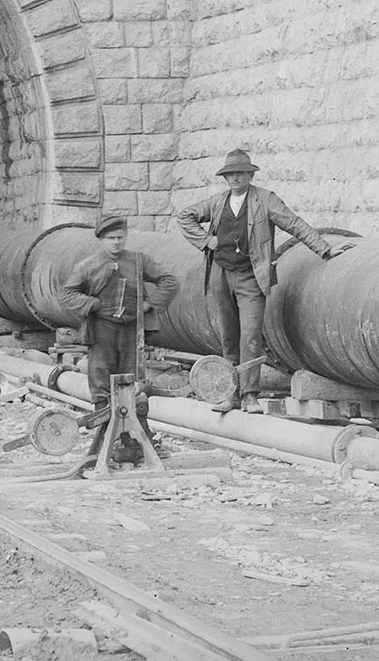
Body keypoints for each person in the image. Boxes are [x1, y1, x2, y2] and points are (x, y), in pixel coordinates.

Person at [175, 149, 353, 413]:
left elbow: (294, 224)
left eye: (240, 173)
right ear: (225, 178)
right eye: (230, 173)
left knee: (250, 336)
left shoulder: (265, 199)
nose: (235, 178)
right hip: (221, 275)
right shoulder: (216, 202)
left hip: (250, 276)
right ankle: (230, 394)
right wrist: (206, 241)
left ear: (250, 174)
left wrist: (325, 248)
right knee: (228, 336)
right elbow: (184, 216)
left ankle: (249, 395)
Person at [60, 213, 180, 455]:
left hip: (131, 331)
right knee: (102, 380)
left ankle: (133, 437)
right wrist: (92, 304)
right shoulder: (88, 266)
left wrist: (149, 305)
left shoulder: (138, 261)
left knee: (132, 382)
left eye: (120, 238)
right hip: (102, 329)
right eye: (111, 238)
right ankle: (104, 435)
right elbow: (67, 294)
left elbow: (169, 281)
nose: (116, 242)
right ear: (102, 240)